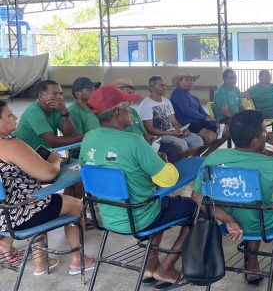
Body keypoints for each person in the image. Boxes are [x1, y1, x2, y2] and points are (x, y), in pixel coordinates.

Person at [80, 85, 196, 287]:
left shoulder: (89, 138)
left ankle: (150, 268)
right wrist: (163, 162)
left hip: (109, 216)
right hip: (141, 216)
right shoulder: (134, 141)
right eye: (127, 107)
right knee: (197, 210)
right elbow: (168, 180)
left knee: (160, 203)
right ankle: (165, 267)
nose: (131, 110)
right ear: (117, 113)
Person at [192, 110, 273, 284]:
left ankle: (252, 263)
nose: (267, 134)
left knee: (251, 205)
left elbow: (196, 195)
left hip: (228, 220)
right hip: (263, 221)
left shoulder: (213, 158)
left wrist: (228, 219)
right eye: (264, 131)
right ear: (255, 142)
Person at [0, 100, 96, 276]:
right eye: (9, 115)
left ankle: (41, 263)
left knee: (42, 202)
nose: (15, 117)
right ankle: (78, 259)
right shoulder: (9, 145)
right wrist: (54, 161)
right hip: (20, 213)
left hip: (3, 215)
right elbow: (48, 174)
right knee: (74, 205)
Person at [139, 76, 204, 162]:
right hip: (159, 135)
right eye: (161, 85)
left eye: (165, 85)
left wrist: (182, 130)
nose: (164, 87)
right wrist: (170, 133)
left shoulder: (166, 101)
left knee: (197, 140)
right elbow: (150, 129)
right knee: (182, 144)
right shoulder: (146, 104)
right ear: (152, 88)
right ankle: (179, 165)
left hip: (172, 131)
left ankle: (191, 162)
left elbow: (174, 121)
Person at [170, 71, 227, 156]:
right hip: (188, 124)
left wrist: (213, 120)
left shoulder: (194, 98)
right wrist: (204, 118)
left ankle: (205, 155)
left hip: (199, 123)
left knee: (225, 133)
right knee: (211, 136)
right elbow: (186, 110)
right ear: (179, 82)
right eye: (187, 80)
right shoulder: (177, 92)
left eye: (191, 80)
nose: (190, 82)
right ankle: (196, 155)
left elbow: (202, 112)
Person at [15, 80, 83, 150]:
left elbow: (70, 135)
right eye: (54, 94)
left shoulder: (57, 109)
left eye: (60, 94)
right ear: (41, 96)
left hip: (44, 154)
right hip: (24, 155)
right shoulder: (34, 112)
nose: (59, 97)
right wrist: (85, 136)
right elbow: (53, 142)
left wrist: (64, 112)